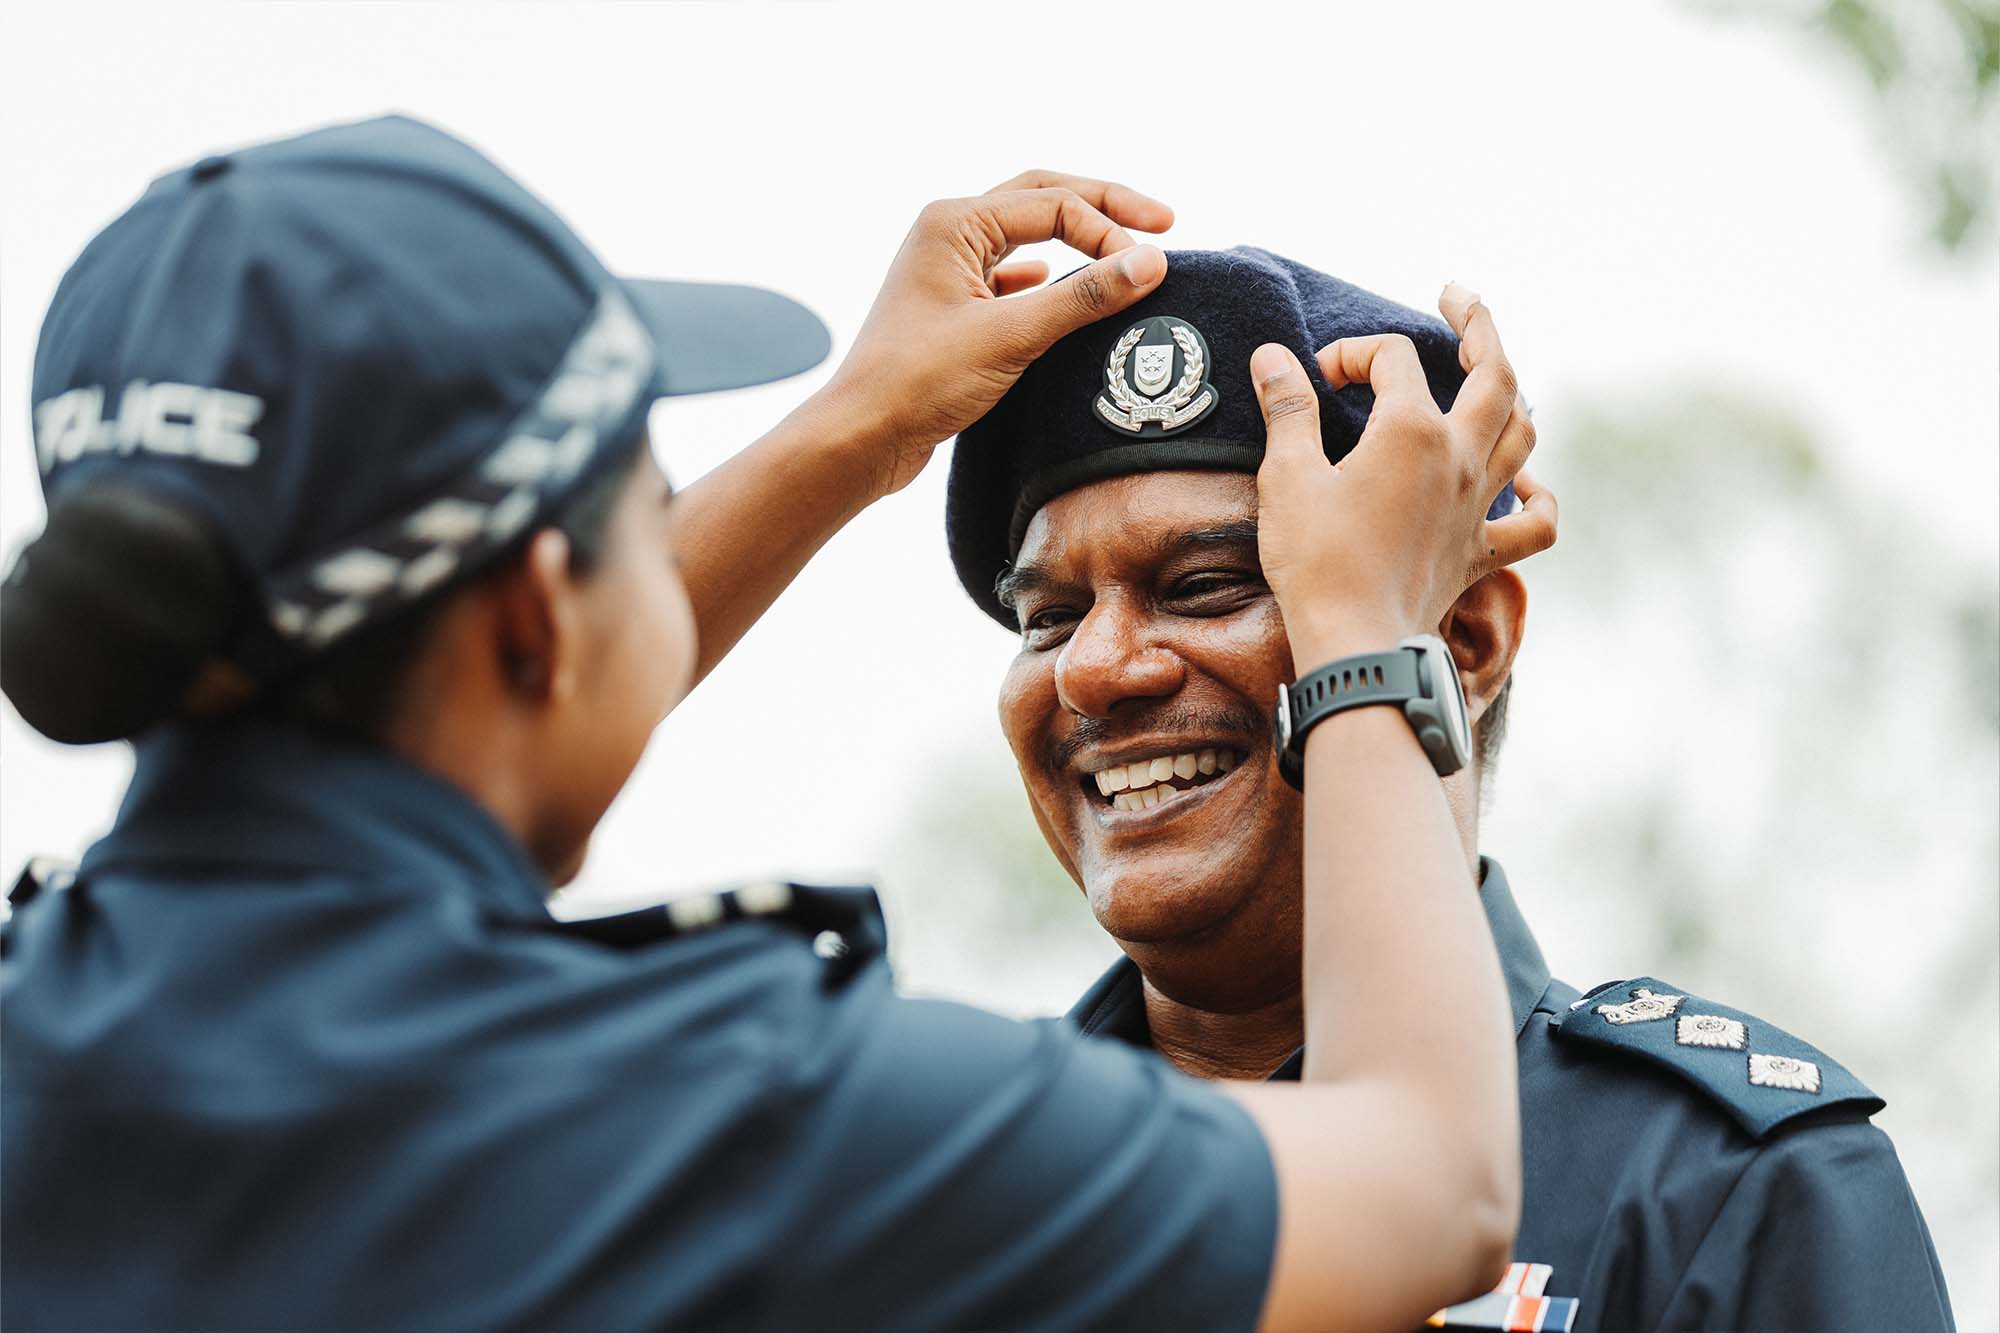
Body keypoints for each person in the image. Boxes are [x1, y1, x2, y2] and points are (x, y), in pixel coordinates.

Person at [0, 117, 1552, 1333]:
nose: (1099, 666)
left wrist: (864, 428)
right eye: (650, 500)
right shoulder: (730, 1123)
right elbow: (1433, 1181)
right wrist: (1361, 626)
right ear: (541, 615)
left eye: (1205, 584)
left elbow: (453, 718)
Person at [938, 246, 1956, 1333]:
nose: (1092, 668)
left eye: (1205, 586)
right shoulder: (947, 1191)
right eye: (1048, 618)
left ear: (1463, 641)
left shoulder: (1723, 1189)